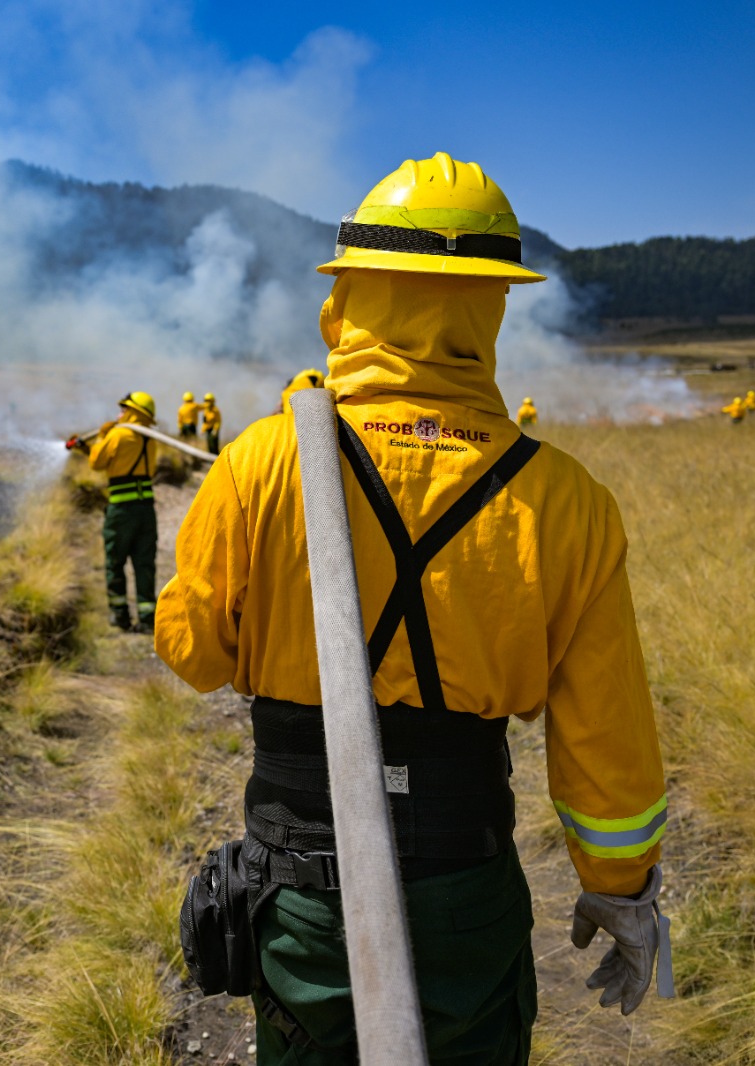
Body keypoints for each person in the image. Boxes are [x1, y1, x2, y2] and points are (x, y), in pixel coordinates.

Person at [156, 152, 668, 1064]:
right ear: (492, 306)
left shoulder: (263, 463)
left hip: (302, 896)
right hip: (464, 895)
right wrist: (619, 890)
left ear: (349, 297)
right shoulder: (568, 500)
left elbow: (191, 654)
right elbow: (606, 740)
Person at [72, 392, 160, 633]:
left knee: (115, 561)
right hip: (146, 510)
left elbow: (97, 462)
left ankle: (120, 615)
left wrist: (102, 436)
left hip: (121, 510)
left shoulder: (118, 434)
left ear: (133, 412)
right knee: (144, 563)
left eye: (123, 410)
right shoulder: (150, 439)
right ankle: (147, 617)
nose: (119, 414)